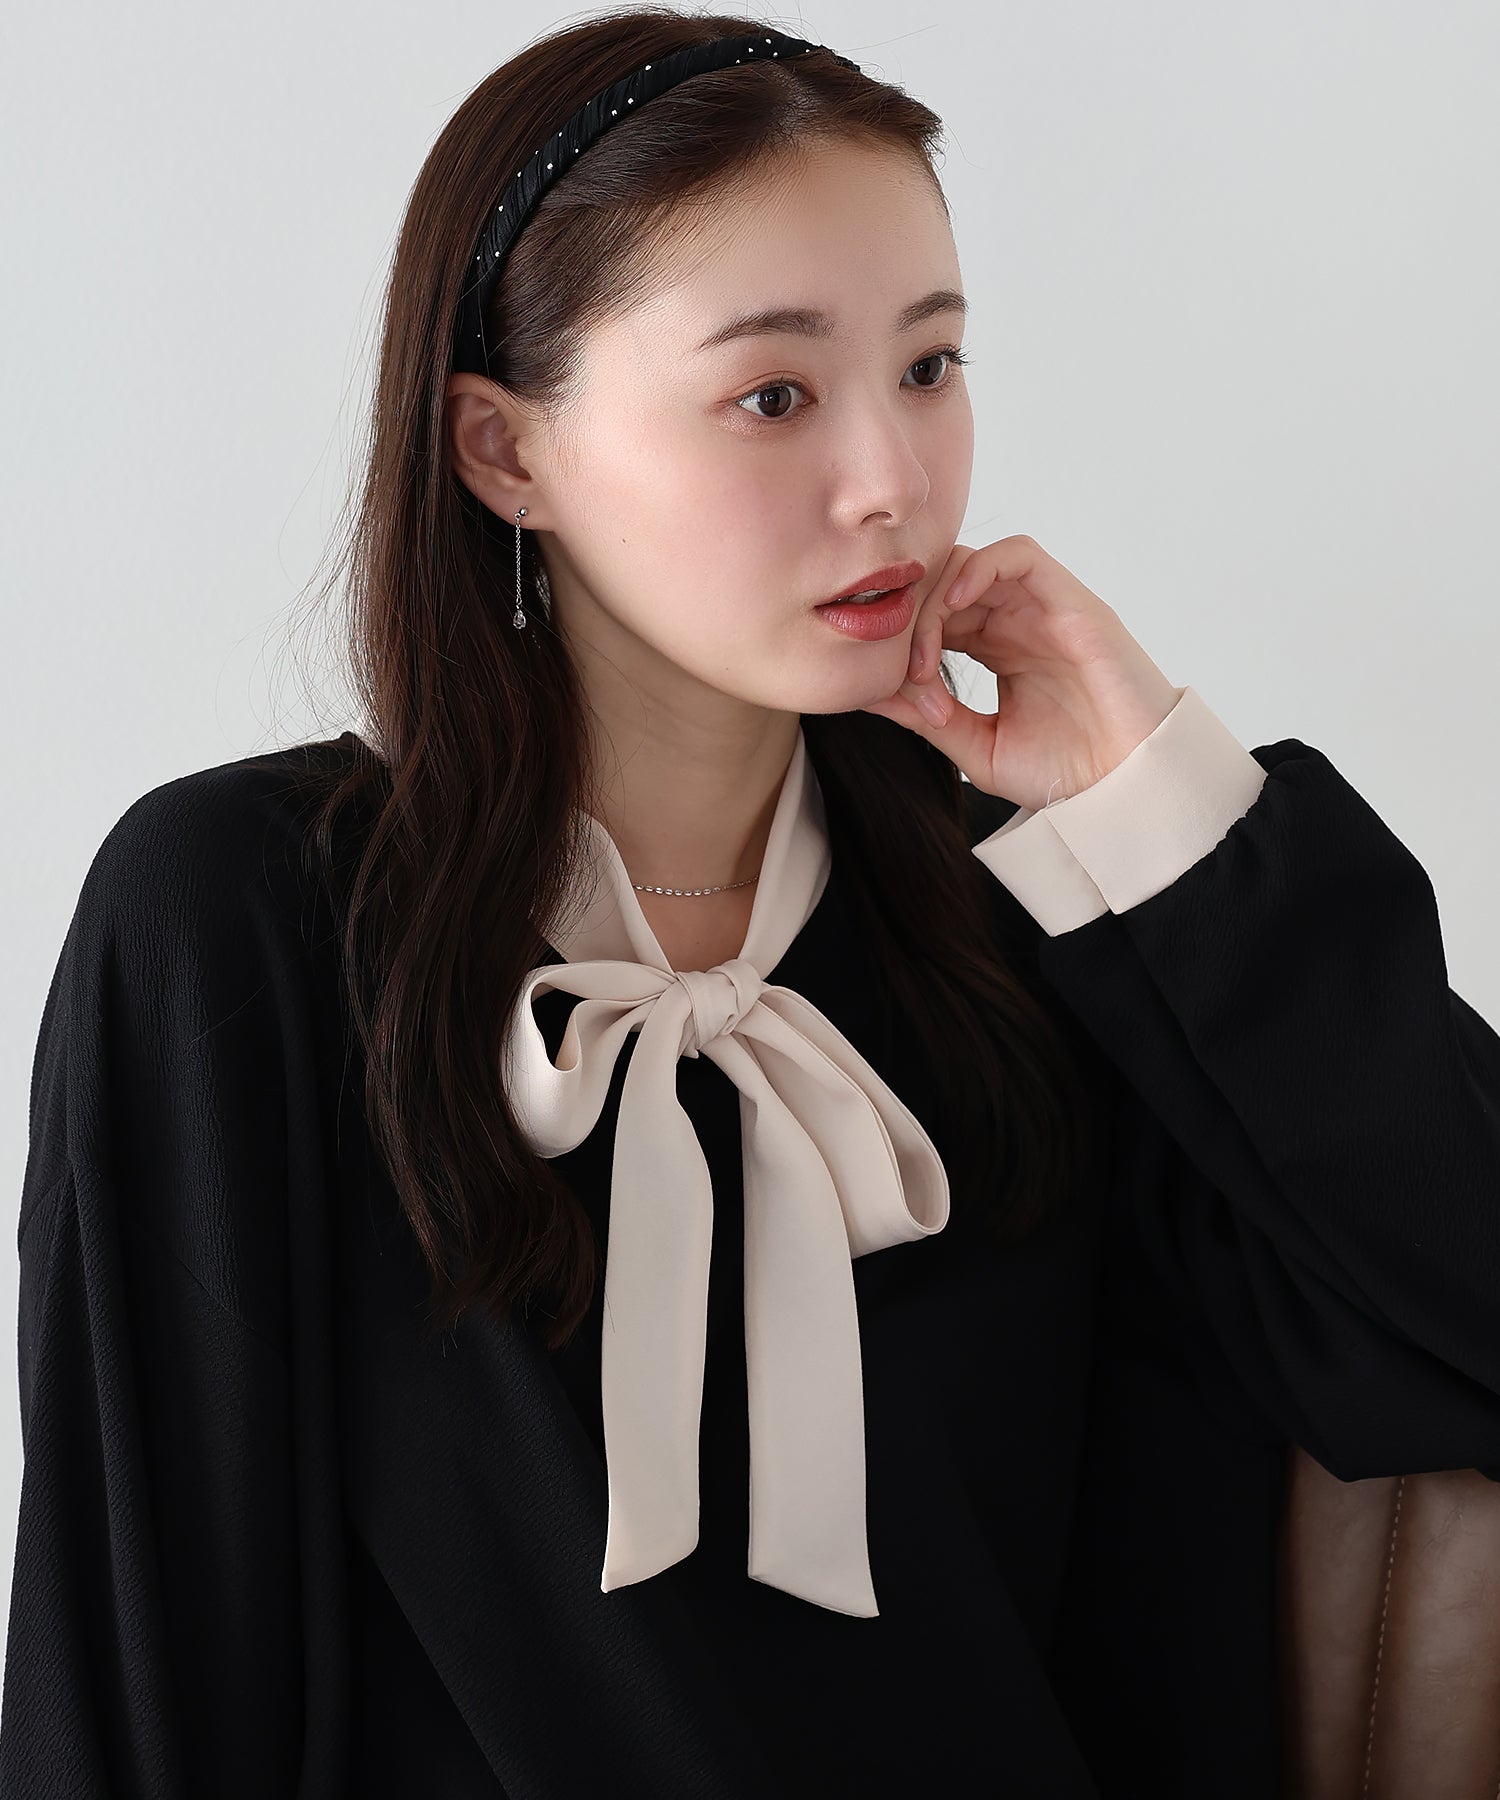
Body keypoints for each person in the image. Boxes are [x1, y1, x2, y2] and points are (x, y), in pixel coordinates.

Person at [5, 10, 1499, 1797]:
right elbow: (141, 1668)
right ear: (504, 452)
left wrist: (1161, 811)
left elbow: (1457, 1329)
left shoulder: (1031, 924)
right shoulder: (249, 924)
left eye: (931, 366)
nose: (894, 482)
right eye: (775, 395)